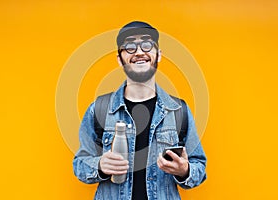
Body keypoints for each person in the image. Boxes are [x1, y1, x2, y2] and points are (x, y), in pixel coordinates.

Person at [73, 21, 207, 200]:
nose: (138, 52)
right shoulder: (99, 109)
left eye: (147, 44)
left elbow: (199, 167)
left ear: (158, 55)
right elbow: (79, 165)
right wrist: (99, 166)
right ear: (119, 59)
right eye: (129, 46)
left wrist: (185, 170)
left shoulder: (178, 111)